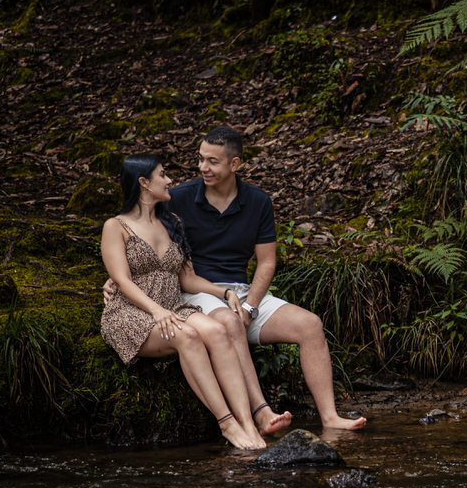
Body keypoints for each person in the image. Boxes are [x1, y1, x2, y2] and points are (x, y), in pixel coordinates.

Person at [106, 126, 365, 432]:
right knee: (230, 321)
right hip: (196, 293)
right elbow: (138, 233)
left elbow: (266, 262)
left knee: (311, 325)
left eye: (212, 161)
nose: (203, 167)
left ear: (235, 164)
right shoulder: (178, 198)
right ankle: (261, 412)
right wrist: (116, 279)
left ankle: (330, 418)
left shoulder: (257, 201)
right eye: (201, 159)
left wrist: (251, 306)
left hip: (240, 292)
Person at [100, 154, 269, 450]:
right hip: (132, 312)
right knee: (188, 336)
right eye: (163, 175)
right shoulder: (116, 226)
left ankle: (248, 424)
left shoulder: (172, 222)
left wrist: (224, 293)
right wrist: (156, 311)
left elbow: (188, 280)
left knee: (218, 331)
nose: (169, 181)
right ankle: (227, 424)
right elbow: (122, 280)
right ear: (143, 183)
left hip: (172, 306)